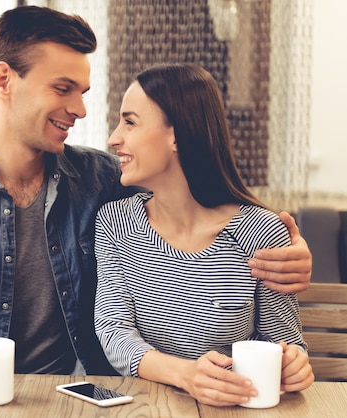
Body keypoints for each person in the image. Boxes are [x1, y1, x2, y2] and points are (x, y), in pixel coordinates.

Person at [0, 6, 312, 401]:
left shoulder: (103, 180)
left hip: (92, 403)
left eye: (82, 92)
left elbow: (198, 197)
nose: (80, 109)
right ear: (3, 81)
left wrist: (288, 252)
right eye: (62, 89)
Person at [93, 63, 314, 407]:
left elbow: (285, 340)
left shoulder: (261, 231)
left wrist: (294, 363)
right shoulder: (115, 223)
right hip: (148, 408)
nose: (113, 138)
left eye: (130, 121)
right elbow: (114, 331)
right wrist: (185, 375)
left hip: (238, 408)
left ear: (177, 134)